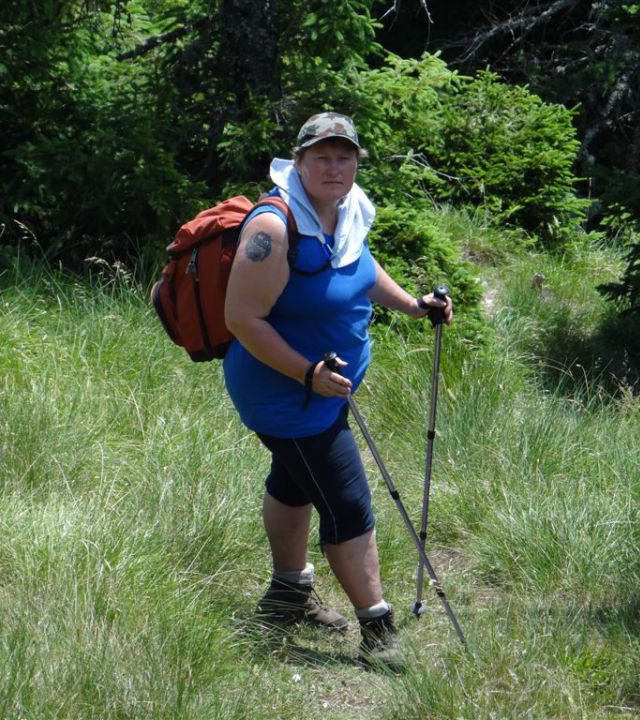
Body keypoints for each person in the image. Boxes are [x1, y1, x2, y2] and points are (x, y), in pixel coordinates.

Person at [222, 111, 452, 671]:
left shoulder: (345, 211)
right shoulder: (273, 228)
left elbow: (361, 268)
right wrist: (306, 373)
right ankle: (378, 630)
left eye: (343, 156)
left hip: (326, 390)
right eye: (321, 156)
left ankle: (286, 595)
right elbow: (242, 318)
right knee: (347, 503)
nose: (334, 166)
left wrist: (412, 306)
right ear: (297, 162)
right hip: (287, 397)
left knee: (294, 482)